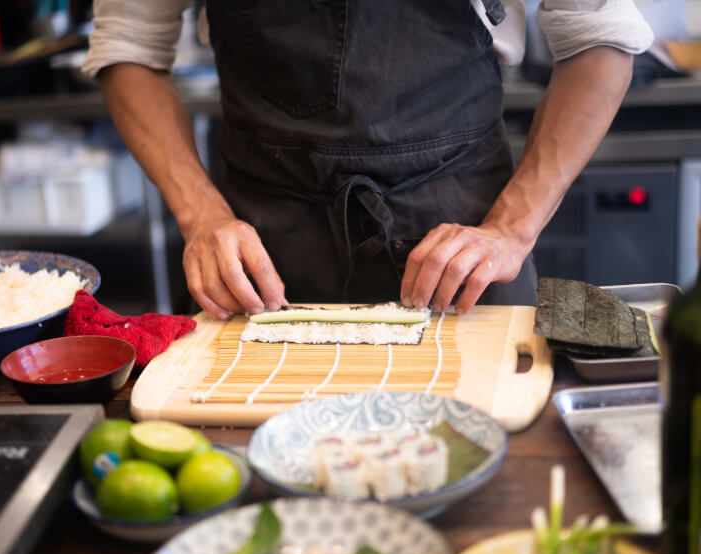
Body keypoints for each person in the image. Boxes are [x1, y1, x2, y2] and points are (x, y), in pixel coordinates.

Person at [84, 0, 653, 320]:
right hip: (261, 257)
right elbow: (129, 47)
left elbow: (600, 42)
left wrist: (510, 229)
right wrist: (200, 216)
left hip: (461, 249)